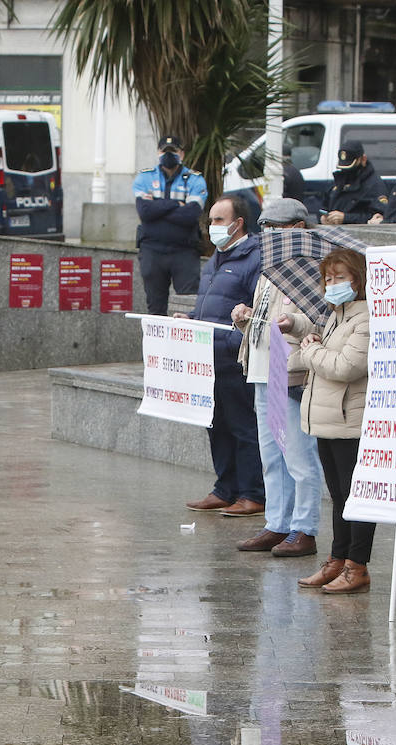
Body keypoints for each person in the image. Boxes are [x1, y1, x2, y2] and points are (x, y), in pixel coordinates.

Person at [230, 198, 364, 558]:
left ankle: (304, 527)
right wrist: (244, 318)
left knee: (299, 458)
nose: (267, 234)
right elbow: (264, 317)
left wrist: (294, 324)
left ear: (297, 228)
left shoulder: (317, 271)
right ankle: (277, 522)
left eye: (274, 227)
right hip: (262, 367)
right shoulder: (272, 268)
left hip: (291, 369)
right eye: (265, 228)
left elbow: (322, 323)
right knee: (271, 453)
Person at [279, 249, 375, 594]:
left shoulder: (366, 318)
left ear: (358, 279)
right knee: (338, 495)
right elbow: (327, 355)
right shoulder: (336, 315)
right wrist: (314, 344)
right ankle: (337, 559)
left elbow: (346, 366)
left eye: (340, 277)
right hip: (327, 418)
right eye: (328, 278)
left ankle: (356, 565)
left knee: (355, 496)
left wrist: (310, 352)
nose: (332, 284)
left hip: (351, 419)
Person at [183, 194, 264, 518]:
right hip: (207, 356)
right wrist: (190, 318)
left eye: (218, 220)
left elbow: (257, 306)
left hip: (233, 356)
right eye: (211, 220)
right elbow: (209, 303)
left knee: (243, 426)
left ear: (237, 223)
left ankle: (252, 493)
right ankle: (225, 488)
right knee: (215, 425)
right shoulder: (217, 257)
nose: (211, 227)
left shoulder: (253, 257)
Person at [134, 134, 207, 315]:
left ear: (181, 154)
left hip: (185, 251)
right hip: (152, 250)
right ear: (158, 152)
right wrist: (175, 204)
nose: (168, 154)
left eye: (173, 151)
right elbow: (145, 212)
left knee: (188, 307)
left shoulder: (195, 179)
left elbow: (190, 215)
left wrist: (157, 206)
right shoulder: (145, 178)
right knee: (155, 308)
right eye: (164, 151)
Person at [319, 141, 389, 226]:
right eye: (343, 168)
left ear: (363, 159)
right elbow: (324, 206)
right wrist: (323, 217)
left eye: (350, 167)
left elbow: (378, 217)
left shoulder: (375, 185)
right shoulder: (339, 181)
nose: (346, 172)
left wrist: (346, 218)